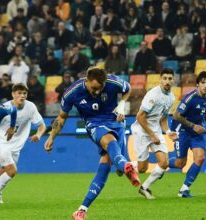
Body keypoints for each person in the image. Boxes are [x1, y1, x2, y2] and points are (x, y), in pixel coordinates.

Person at [44, 67, 140, 220]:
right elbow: (61, 117)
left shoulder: (112, 82)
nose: (96, 92)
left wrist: (122, 103)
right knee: (110, 141)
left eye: (100, 88)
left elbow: (128, 88)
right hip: (94, 124)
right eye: (94, 88)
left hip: (116, 121)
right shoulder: (72, 92)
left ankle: (82, 210)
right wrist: (51, 137)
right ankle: (126, 165)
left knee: (107, 163)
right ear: (86, 81)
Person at [0, 83, 46, 203]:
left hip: (16, 147)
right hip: (2, 144)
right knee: (12, 171)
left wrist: (38, 135)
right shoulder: (3, 109)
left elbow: (42, 125)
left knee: (4, 171)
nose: (22, 96)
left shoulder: (30, 107)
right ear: (13, 94)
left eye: (24, 93)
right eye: (19, 93)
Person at [168, 71, 206, 198]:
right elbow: (176, 115)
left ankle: (184, 189)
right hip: (184, 131)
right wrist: (193, 126)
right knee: (180, 163)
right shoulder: (189, 98)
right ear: (197, 84)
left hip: (196, 134)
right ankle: (163, 164)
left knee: (200, 158)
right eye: (203, 83)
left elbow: (205, 111)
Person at [131, 68, 178, 199]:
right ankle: (126, 165)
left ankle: (144, 188)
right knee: (142, 169)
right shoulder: (153, 95)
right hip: (142, 130)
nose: (167, 81)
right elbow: (140, 117)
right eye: (165, 78)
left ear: (173, 80)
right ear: (160, 80)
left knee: (164, 163)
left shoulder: (171, 97)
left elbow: (163, 118)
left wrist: (168, 132)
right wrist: (152, 134)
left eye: (170, 78)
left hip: (155, 131)